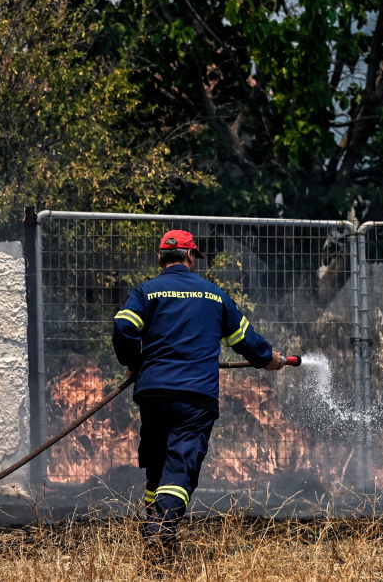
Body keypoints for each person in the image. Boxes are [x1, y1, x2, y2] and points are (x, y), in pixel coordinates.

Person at [112, 229, 285, 559]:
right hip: (195, 397)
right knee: (178, 470)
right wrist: (269, 359)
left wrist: (134, 363)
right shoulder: (214, 295)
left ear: (160, 258)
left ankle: (156, 536)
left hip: (153, 393)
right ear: (191, 257)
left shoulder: (146, 292)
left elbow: (123, 327)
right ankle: (160, 534)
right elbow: (245, 340)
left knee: (157, 468)